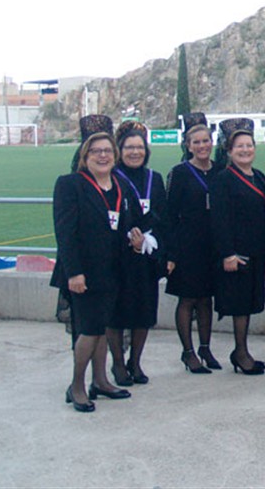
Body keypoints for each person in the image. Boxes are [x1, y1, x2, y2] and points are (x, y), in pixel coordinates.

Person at [51, 116, 141, 412]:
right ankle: (76, 386)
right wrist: (74, 272)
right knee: (88, 330)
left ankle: (100, 381)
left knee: (101, 328)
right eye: (96, 151)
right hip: (83, 273)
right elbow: (65, 233)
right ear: (84, 156)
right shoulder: (70, 185)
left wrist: (136, 237)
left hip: (112, 271)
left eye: (107, 151)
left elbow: (127, 225)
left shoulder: (120, 187)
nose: (103, 155)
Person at [107, 120, 168, 386]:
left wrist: (151, 241)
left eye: (139, 147)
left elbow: (163, 215)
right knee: (117, 313)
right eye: (129, 147)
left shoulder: (154, 178)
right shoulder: (112, 177)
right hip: (119, 257)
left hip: (146, 256)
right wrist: (129, 239)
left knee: (144, 311)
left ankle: (136, 362)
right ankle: (118, 365)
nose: (135, 152)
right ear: (120, 150)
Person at [210, 119, 265, 375]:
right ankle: (240, 352)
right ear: (230, 152)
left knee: (250, 303)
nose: (245, 150)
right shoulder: (223, 180)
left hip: (256, 250)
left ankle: (242, 351)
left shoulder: (259, 177)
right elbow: (219, 220)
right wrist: (228, 253)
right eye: (239, 147)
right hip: (237, 253)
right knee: (239, 305)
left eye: (249, 145)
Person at [165, 113, 221, 373]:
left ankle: (205, 348)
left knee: (206, 299)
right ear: (188, 146)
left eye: (206, 141)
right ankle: (188, 353)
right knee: (188, 299)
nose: (202, 146)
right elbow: (170, 215)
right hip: (187, 245)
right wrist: (172, 253)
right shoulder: (179, 173)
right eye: (196, 142)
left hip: (212, 245)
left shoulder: (220, 170)